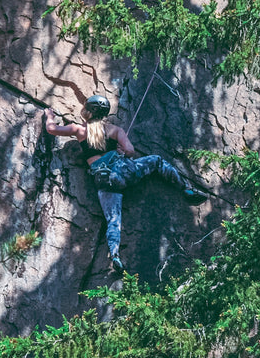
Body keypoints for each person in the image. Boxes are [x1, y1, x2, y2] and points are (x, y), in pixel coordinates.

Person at [44, 95, 207, 271]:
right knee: (156, 161)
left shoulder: (78, 130)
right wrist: (123, 151)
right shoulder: (115, 130)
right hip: (123, 172)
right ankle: (186, 189)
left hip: (104, 180)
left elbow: (52, 129)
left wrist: (49, 116)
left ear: (88, 111)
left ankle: (114, 255)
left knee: (113, 219)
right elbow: (130, 151)